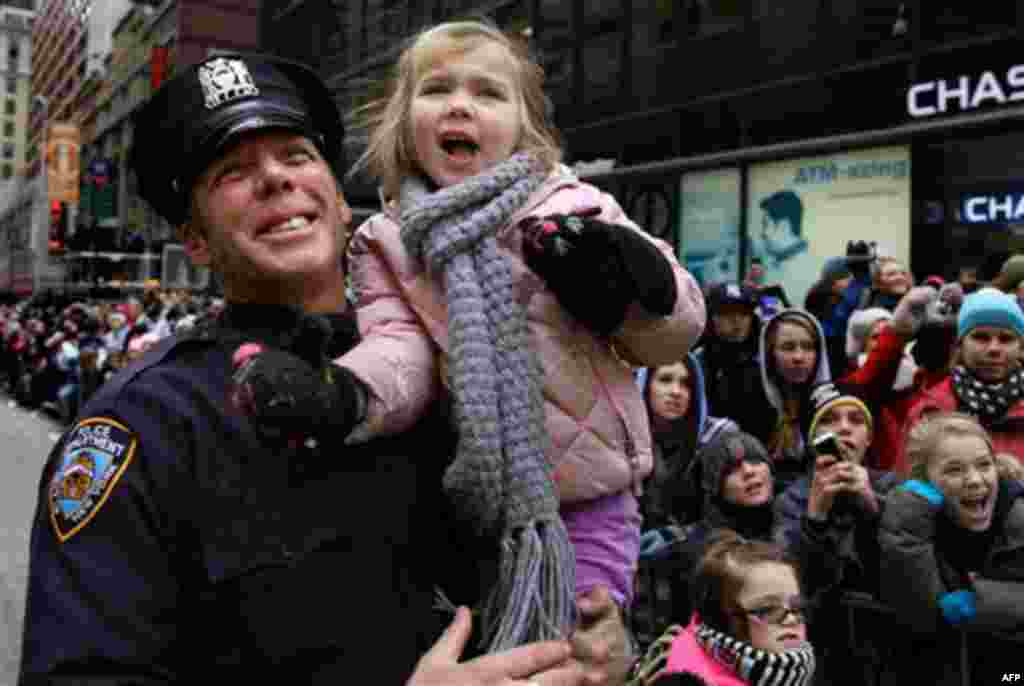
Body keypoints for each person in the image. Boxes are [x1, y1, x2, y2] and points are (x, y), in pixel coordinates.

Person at [18, 53, 619, 686]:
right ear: (194, 240)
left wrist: (599, 643)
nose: (276, 178)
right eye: (233, 171)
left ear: (337, 199)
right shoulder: (148, 424)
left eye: (297, 156)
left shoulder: (458, 361)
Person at [237, 19, 706, 650]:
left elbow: (674, 332)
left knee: (577, 648)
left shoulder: (572, 205)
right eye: (437, 90)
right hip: (469, 508)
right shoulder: (388, 241)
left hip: (593, 498)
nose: (460, 103)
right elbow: (399, 352)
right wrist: (344, 392)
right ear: (404, 124)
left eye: (487, 92)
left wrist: (638, 281)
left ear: (524, 126)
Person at [879, 412, 1024, 686]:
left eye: (984, 465)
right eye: (954, 470)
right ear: (924, 481)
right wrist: (909, 518)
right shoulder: (914, 521)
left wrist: (983, 602)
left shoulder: (1018, 515)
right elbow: (918, 612)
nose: (974, 480)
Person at [773, 382, 901, 686]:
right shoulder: (792, 500)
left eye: (856, 421)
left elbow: (904, 571)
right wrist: (815, 516)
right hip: (823, 653)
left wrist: (873, 507)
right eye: (829, 421)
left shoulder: (893, 488)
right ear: (813, 438)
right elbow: (792, 587)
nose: (844, 429)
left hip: (888, 649)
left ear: (869, 438)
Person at [627, 530, 816, 686]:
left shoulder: (783, 668)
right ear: (721, 619)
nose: (791, 619)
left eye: (797, 607)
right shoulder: (687, 680)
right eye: (768, 610)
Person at [904, 288, 1024, 463]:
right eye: (981, 337)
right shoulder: (930, 411)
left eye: (1006, 339)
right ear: (959, 346)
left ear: (1021, 348)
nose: (994, 349)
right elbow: (909, 484)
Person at [637, 353, 738, 530]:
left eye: (686, 384)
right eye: (665, 379)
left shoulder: (719, 437)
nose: (676, 391)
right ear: (646, 385)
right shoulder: (626, 440)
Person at [758, 309, 831, 491]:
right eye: (788, 347)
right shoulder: (753, 402)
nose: (799, 357)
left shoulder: (829, 404)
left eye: (808, 347)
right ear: (770, 353)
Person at [693, 283, 773, 445]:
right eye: (726, 313)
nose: (737, 320)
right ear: (712, 317)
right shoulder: (699, 361)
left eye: (744, 313)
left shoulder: (767, 357)